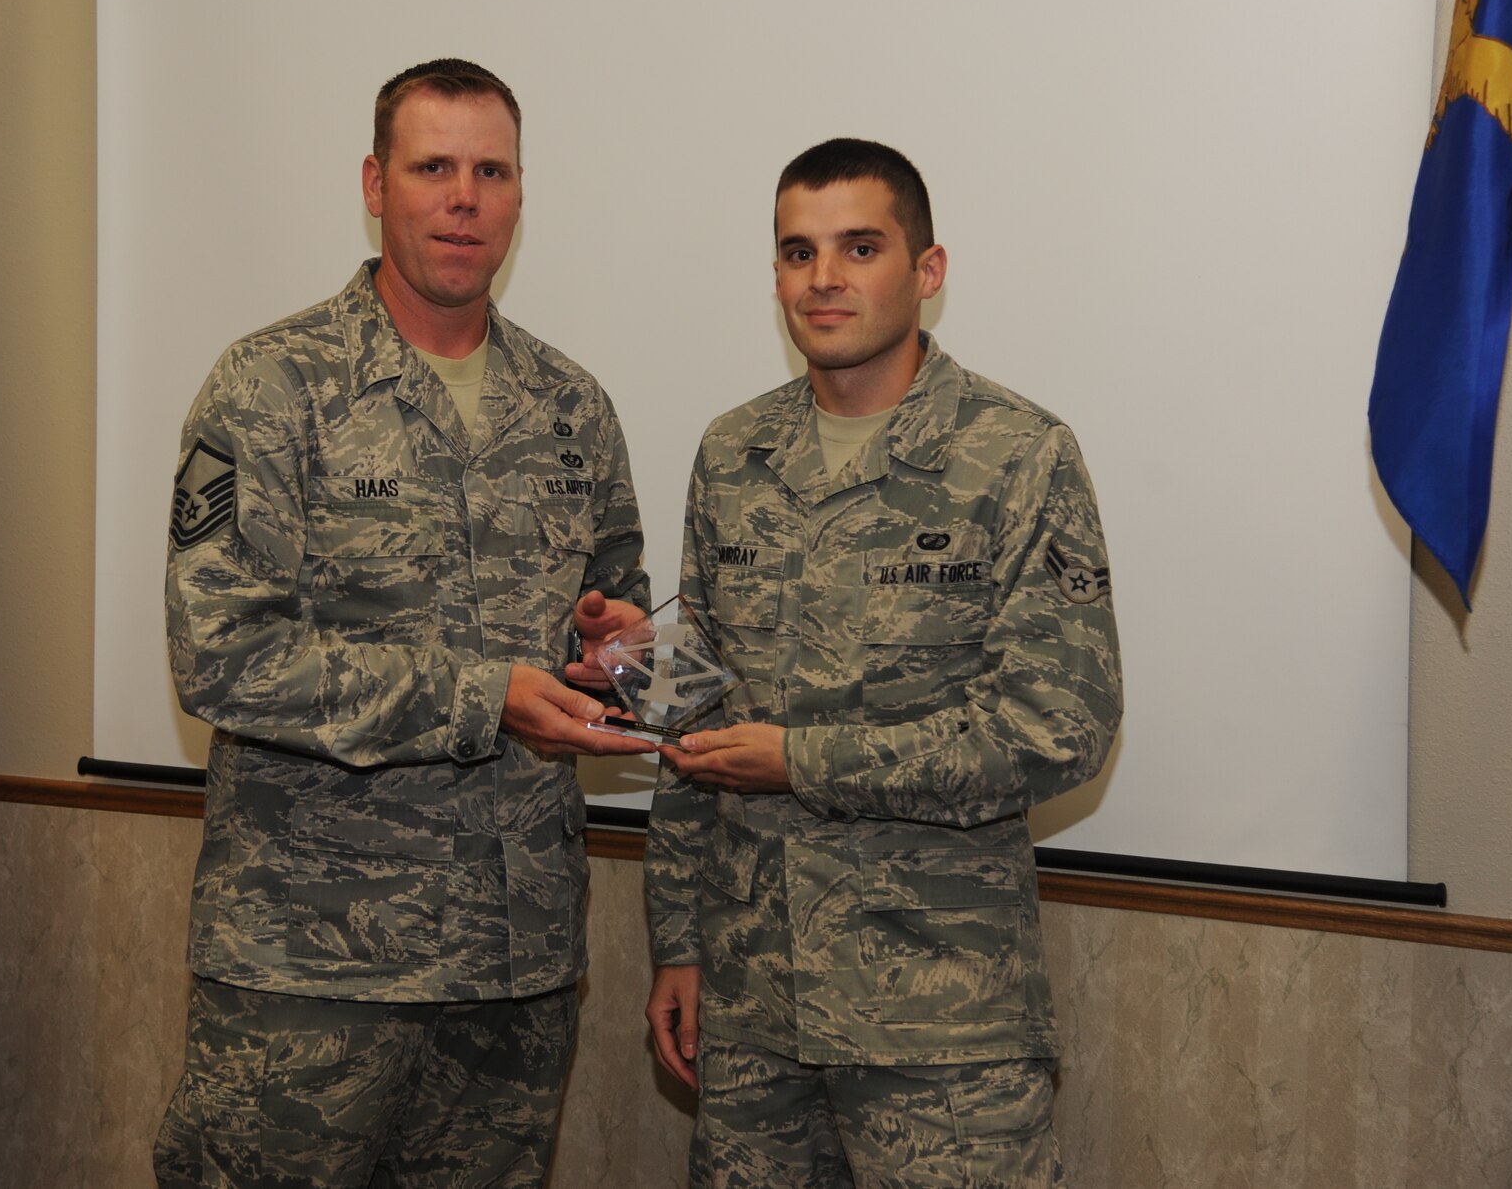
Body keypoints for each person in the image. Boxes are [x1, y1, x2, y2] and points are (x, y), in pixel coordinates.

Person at [154, 60, 652, 1188]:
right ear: (376, 185)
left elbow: (614, 624)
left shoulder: (571, 405)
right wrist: (485, 694)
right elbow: (222, 654)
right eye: (433, 167)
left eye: (490, 170)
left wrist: (618, 648)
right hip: (312, 967)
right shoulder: (271, 387)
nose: (462, 197)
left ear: (520, 194)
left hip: (513, 966)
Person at [642, 140, 1123, 1188]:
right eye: (797, 251)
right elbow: (693, 712)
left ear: (927, 269)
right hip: (751, 1009)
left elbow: (1058, 725)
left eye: (859, 246)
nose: (824, 277)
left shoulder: (1017, 452)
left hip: (939, 1020)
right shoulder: (733, 454)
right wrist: (676, 939)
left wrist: (803, 760)